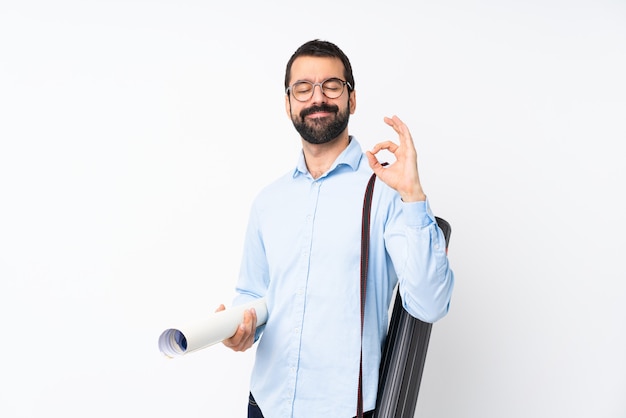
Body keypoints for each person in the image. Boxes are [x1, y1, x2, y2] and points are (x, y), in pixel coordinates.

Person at [217, 39, 454, 418]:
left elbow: (429, 303)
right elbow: (254, 293)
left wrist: (413, 193)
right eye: (303, 88)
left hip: (342, 410)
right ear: (288, 102)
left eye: (331, 86)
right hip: (266, 404)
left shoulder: (387, 193)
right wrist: (240, 327)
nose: (318, 98)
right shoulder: (268, 202)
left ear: (351, 98)